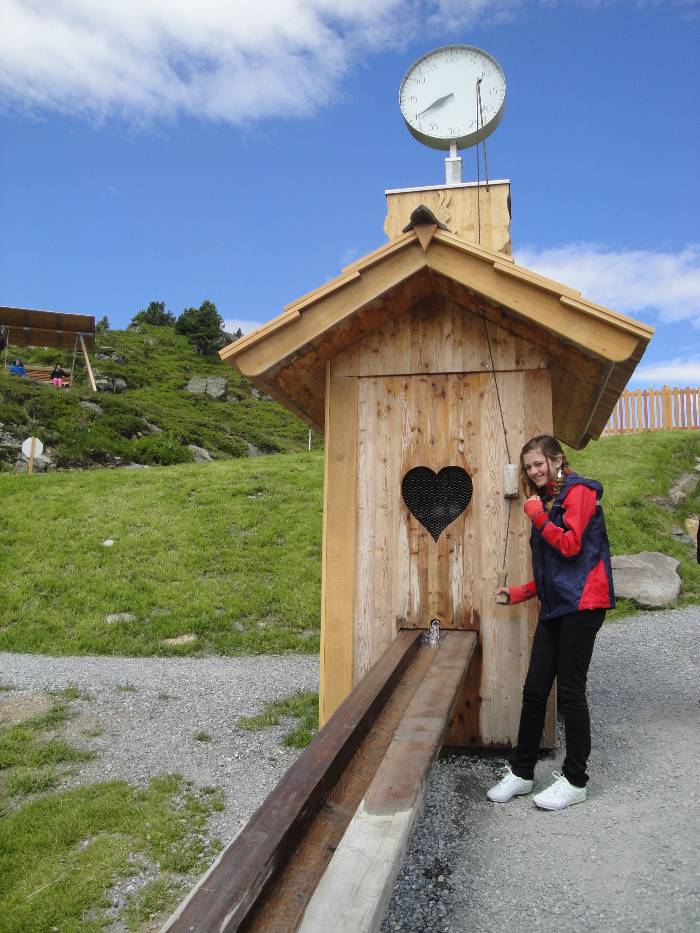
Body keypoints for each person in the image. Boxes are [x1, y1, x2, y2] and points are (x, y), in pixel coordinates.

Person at [487, 434, 614, 811]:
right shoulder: (547, 501)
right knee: (535, 689)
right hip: (557, 604)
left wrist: (537, 516)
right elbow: (555, 569)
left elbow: (571, 545)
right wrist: (521, 592)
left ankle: (575, 780)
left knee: (571, 691)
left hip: (585, 603)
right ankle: (522, 773)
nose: (533, 471)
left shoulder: (580, 492)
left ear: (557, 460)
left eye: (538, 464)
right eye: (528, 467)